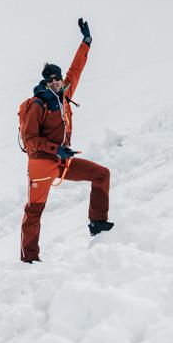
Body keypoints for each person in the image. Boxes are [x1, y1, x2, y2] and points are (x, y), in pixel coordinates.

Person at [17, 17, 114, 263]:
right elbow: (30, 140)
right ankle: (29, 259)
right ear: (44, 82)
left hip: (61, 160)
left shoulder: (65, 94)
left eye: (57, 78)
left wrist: (86, 42)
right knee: (34, 210)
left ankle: (98, 222)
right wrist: (55, 149)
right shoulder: (38, 104)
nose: (55, 82)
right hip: (41, 163)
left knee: (101, 175)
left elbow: (76, 70)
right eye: (50, 79)